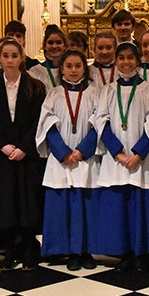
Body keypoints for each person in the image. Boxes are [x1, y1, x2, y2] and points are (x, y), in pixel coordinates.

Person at [93, 41, 149, 272]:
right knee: (120, 208)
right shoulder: (108, 90)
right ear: (116, 62)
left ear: (138, 60)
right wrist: (118, 152)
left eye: (131, 58)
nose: (126, 62)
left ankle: (141, 253)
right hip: (117, 159)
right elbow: (100, 121)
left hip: (140, 159)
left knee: (140, 206)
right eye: (121, 58)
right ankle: (123, 253)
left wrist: (138, 153)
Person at [0, 38, 46, 270]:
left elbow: (37, 121)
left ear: (22, 57)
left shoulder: (36, 87)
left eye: (14, 56)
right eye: (5, 56)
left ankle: (30, 247)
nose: (10, 60)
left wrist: (24, 147)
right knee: (6, 201)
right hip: (3, 155)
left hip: (26, 155)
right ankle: (10, 249)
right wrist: (3, 145)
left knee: (28, 200)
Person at [37, 50, 100, 270]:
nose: (73, 70)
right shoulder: (54, 94)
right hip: (61, 158)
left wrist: (82, 150)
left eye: (77, 66)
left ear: (85, 68)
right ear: (61, 69)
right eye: (69, 66)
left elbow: (98, 124)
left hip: (85, 158)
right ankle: (68, 252)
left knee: (85, 205)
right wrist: (63, 151)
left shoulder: (94, 93)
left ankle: (86, 250)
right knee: (62, 204)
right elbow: (47, 125)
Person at [28, 25, 66, 92]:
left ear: (64, 46)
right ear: (45, 46)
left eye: (58, 42)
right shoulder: (35, 72)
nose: (54, 46)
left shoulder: (71, 71)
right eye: (50, 42)